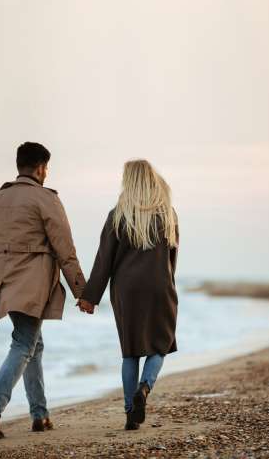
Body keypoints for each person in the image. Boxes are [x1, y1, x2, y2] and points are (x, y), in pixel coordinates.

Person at [0, 142, 86, 439]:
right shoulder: (45, 199)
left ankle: (40, 415)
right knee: (24, 343)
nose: (47, 173)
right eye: (47, 167)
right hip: (30, 285)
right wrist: (81, 291)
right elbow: (65, 249)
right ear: (40, 168)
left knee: (33, 344)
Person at [78, 159, 179, 430]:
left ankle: (129, 413)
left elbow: (104, 261)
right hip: (160, 286)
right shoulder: (168, 214)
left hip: (127, 290)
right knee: (162, 344)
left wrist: (90, 297)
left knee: (130, 352)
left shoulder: (117, 215)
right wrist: (168, 285)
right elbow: (172, 257)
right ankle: (144, 389)